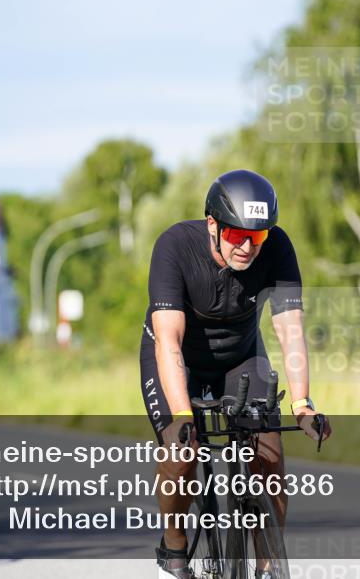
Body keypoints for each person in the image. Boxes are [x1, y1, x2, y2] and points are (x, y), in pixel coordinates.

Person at [140, 169, 332, 579]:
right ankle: (174, 549)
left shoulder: (277, 247)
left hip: (241, 357)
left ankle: (267, 566)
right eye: (236, 235)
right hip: (179, 358)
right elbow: (169, 341)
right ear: (213, 224)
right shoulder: (175, 246)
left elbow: (290, 329)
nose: (247, 247)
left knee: (269, 453)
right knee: (182, 452)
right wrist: (182, 417)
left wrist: (302, 404)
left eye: (257, 236)